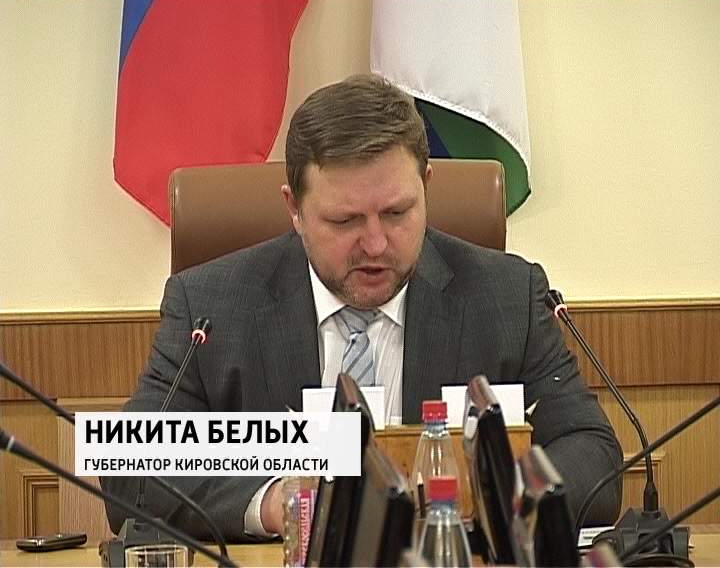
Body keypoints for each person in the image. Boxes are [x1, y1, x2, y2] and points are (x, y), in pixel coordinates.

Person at [101, 74, 622, 541]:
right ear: (294, 209)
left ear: (426, 188)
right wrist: (274, 503)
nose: (375, 244)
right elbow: (132, 472)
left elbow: (592, 455)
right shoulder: (211, 307)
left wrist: (497, 494)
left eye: (397, 213)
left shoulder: (507, 297)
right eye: (345, 221)